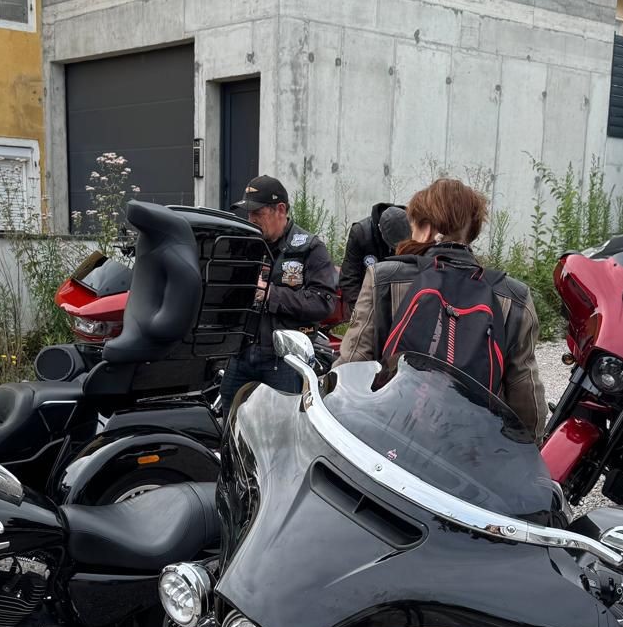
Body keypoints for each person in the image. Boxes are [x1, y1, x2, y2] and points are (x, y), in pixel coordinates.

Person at [337, 177, 547, 438]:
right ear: (472, 231)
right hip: (466, 447)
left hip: (390, 435)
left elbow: (352, 364)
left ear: (426, 227)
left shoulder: (384, 278)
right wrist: (529, 444)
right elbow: (526, 398)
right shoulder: (513, 297)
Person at [219, 175, 339, 403]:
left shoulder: (310, 248)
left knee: (282, 421)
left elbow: (323, 302)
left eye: (258, 213)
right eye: (249, 214)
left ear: (280, 210)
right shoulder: (247, 245)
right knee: (231, 417)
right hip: (241, 355)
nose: (251, 220)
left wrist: (271, 294)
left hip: (284, 361)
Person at [338, 203, 410, 319]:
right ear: (380, 229)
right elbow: (349, 278)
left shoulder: (413, 228)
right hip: (366, 298)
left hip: (400, 298)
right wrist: (361, 311)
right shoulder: (360, 233)